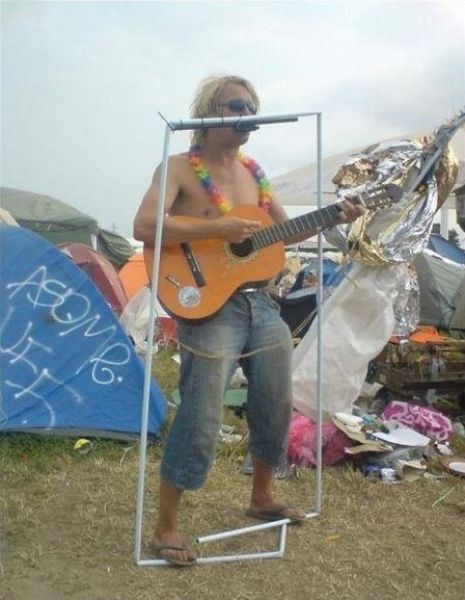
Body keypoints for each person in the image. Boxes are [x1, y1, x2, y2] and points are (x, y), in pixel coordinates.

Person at [133, 74, 365, 566]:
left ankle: (262, 496)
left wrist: (332, 216)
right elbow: (145, 225)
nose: (247, 115)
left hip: (261, 304)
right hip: (207, 304)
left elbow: (281, 230)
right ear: (209, 112)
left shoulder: (255, 173)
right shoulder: (179, 168)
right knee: (201, 415)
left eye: (251, 107)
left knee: (274, 403)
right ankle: (166, 525)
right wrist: (218, 227)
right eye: (236, 106)